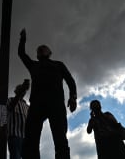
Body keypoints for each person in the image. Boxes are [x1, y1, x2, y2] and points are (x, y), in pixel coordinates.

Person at [18, 29, 77, 159]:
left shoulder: (58, 64)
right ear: (37, 55)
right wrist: (22, 40)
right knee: (31, 140)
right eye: (39, 49)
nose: (41, 49)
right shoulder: (33, 65)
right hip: (37, 105)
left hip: (56, 104)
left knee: (60, 139)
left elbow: (70, 81)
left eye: (44, 48)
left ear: (50, 53)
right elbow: (21, 54)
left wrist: (73, 97)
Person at [7, 79, 30, 159]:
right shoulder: (9, 100)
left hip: (27, 138)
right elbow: (10, 107)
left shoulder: (27, 106)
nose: (22, 91)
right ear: (15, 91)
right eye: (20, 89)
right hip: (14, 136)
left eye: (23, 89)